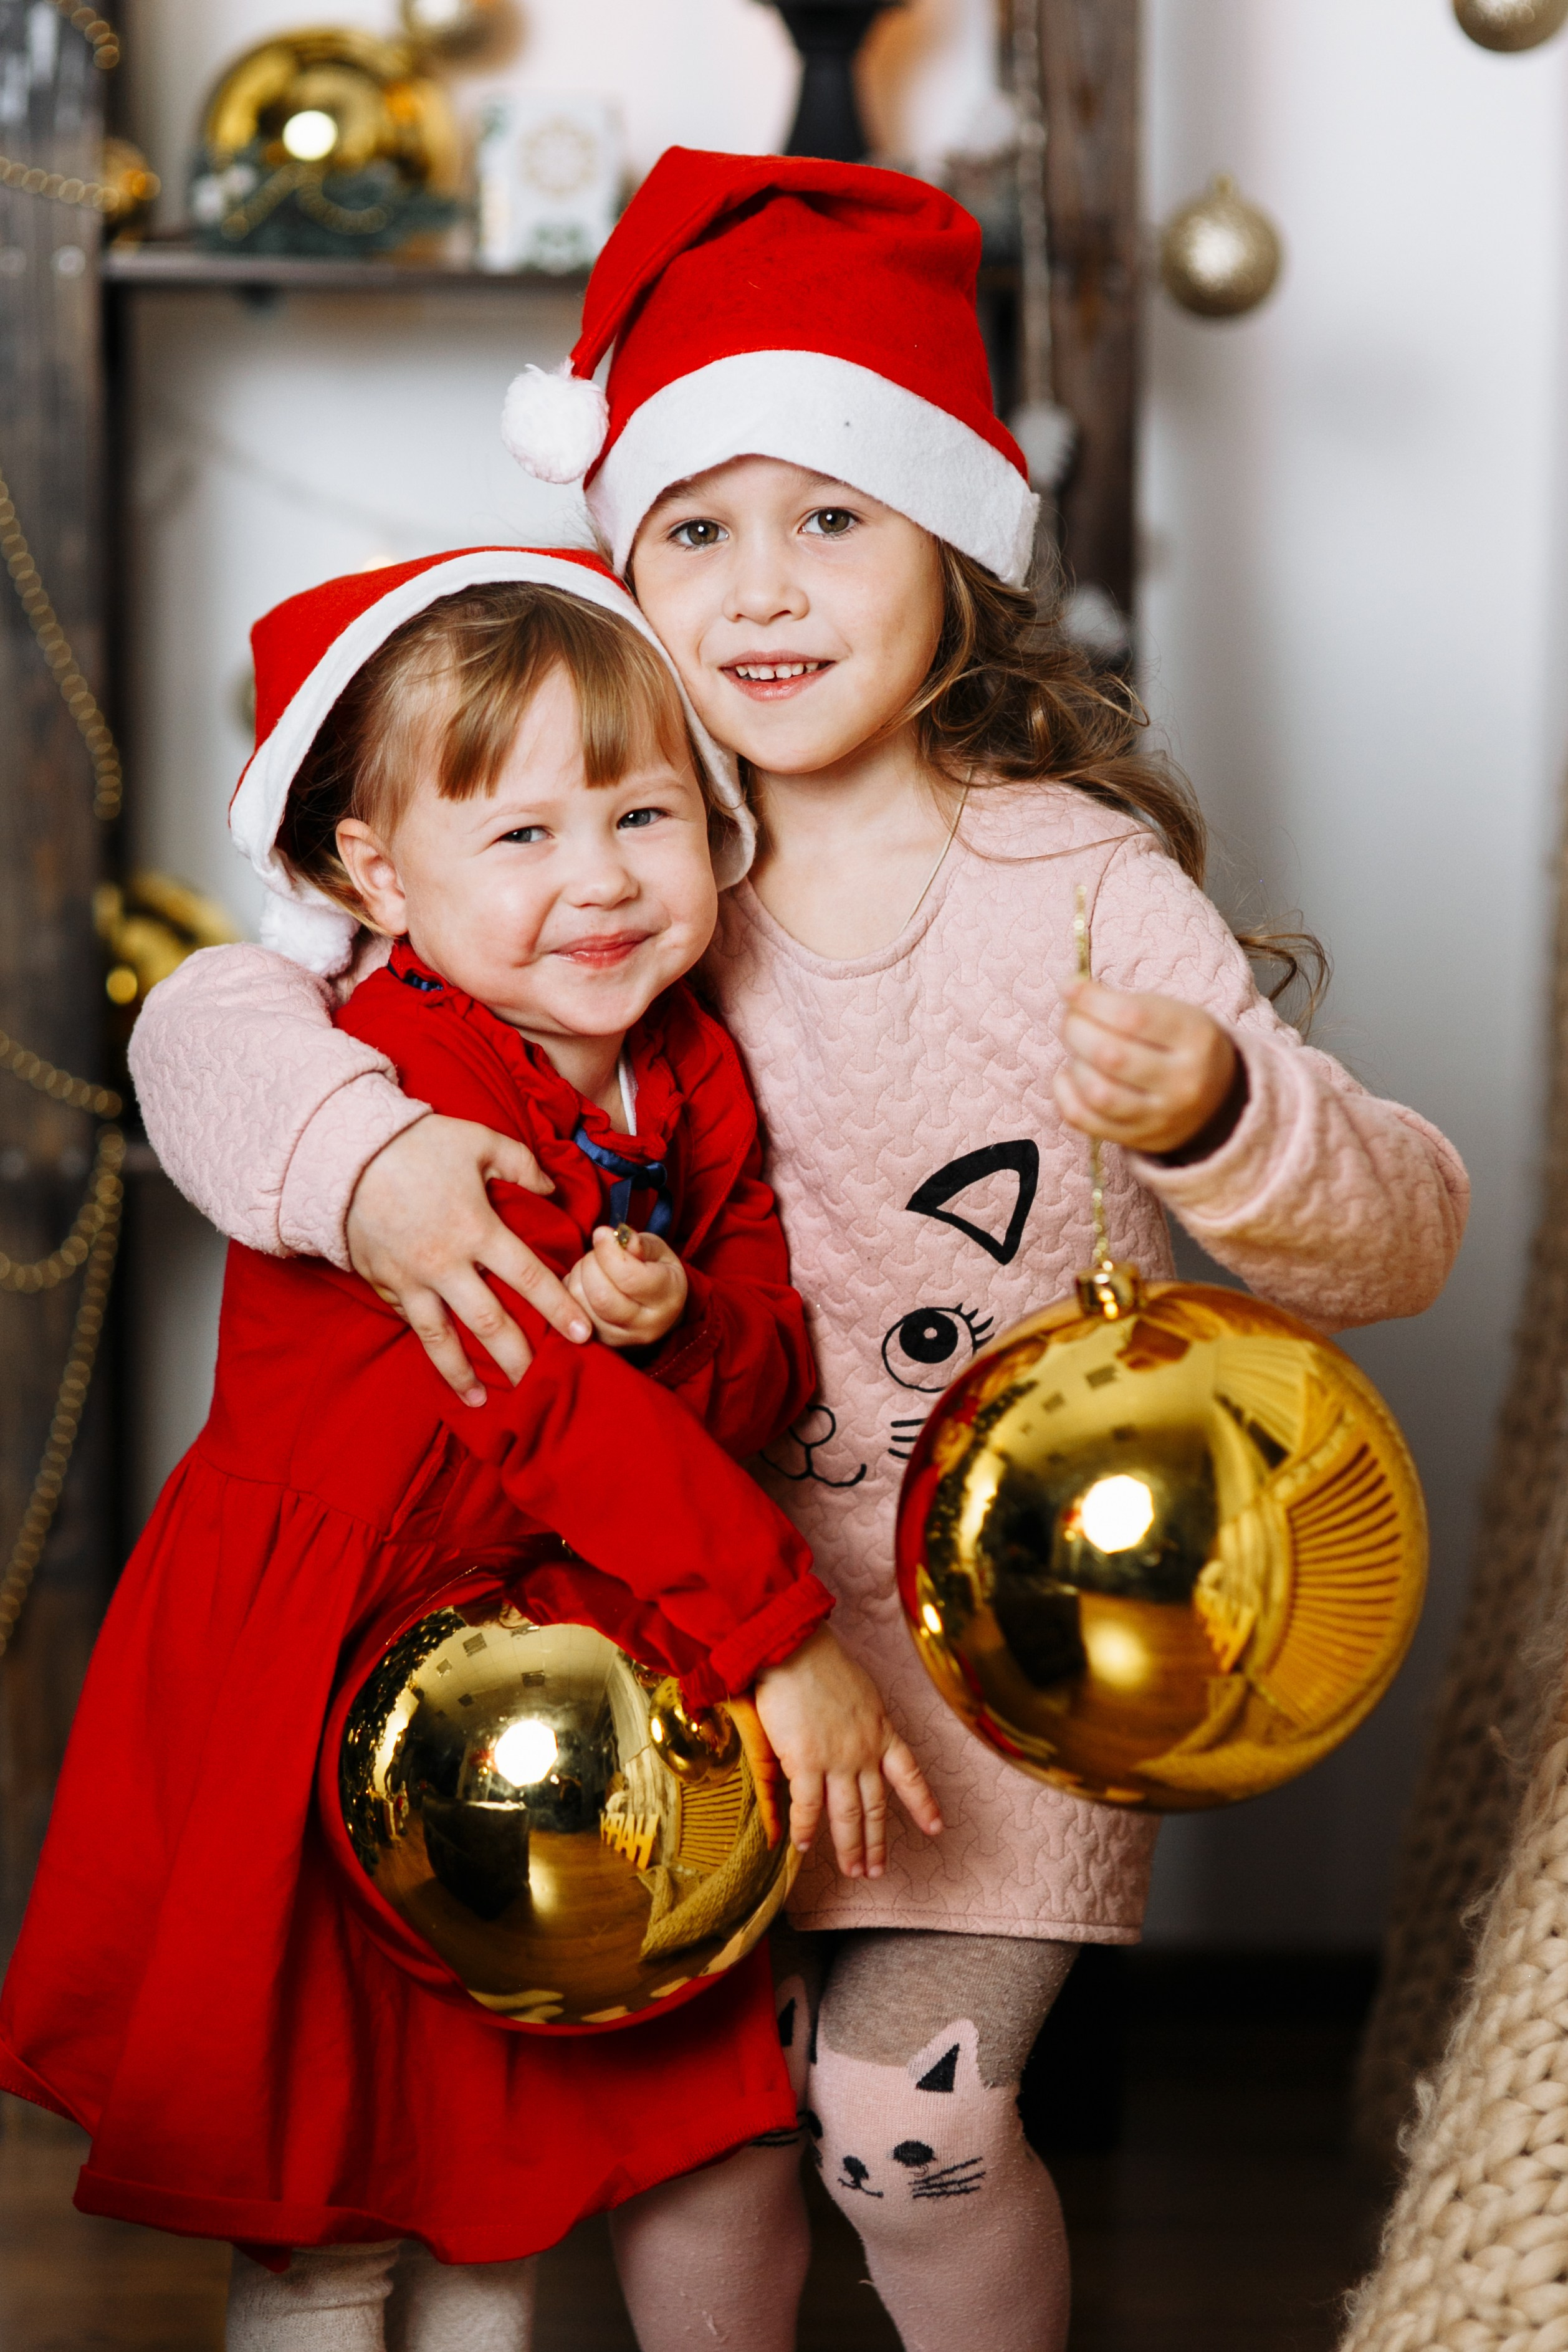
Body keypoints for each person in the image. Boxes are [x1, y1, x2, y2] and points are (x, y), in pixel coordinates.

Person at [129, 155, 1470, 2352]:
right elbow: (223, 1001)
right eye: (696, 529)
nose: (762, 590)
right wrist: (366, 1166)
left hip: (992, 1672)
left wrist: (1225, 1118)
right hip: (673, 1631)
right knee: (700, 2142)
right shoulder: (626, 857)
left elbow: (1404, 1224)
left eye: (831, 514)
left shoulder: (1077, 885)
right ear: (619, 561)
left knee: (903, 2124)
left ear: (952, 540)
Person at [0, 543, 940, 2352]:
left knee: (488, 2164)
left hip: (537, 1656)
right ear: (373, 875)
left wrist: (693, 1323)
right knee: (332, 2180)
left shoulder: (685, 1070)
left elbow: (762, 1351)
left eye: (644, 813)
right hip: (329, 1647)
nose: (598, 882)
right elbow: (540, 1408)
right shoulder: (403, 1088)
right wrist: (782, 1639)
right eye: (518, 837)